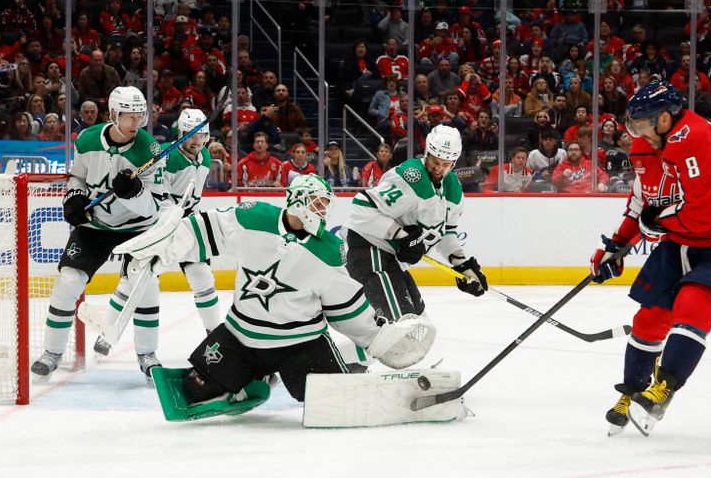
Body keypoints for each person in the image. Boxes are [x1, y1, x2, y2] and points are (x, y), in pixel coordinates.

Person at [114, 175, 441, 419]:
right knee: (190, 392)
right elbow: (200, 229)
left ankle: (331, 364)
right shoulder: (253, 218)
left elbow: (347, 308)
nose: (322, 211)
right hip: (240, 337)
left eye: (326, 205)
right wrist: (160, 250)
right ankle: (250, 380)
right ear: (297, 200)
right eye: (318, 202)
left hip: (301, 345)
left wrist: (378, 337)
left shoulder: (328, 250)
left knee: (334, 403)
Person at [591, 81, 711, 436]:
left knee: (693, 301)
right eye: (633, 126)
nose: (638, 133)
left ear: (666, 118)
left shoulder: (696, 140)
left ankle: (663, 390)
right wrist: (619, 244)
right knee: (649, 317)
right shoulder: (646, 147)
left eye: (643, 124)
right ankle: (633, 393)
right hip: (682, 240)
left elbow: (706, 213)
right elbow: (644, 200)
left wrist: (655, 222)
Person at [30, 86, 168, 382]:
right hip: (95, 225)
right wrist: (74, 197)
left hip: (137, 228)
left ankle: (147, 354)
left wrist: (134, 192)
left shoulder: (151, 150)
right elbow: (77, 176)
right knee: (68, 282)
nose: (135, 123)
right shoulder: (88, 139)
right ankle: (52, 353)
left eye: (139, 116)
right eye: (128, 116)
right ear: (114, 114)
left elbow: (154, 205)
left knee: (145, 286)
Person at [93, 109, 220, 356]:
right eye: (191, 136)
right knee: (136, 280)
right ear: (180, 133)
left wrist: (185, 220)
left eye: (202, 136)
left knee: (202, 276)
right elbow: (157, 198)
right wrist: (170, 220)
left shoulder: (204, 156)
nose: (197, 142)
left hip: (187, 225)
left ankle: (215, 333)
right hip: (158, 225)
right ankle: (107, 333)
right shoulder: (167, 158)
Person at [343, 125, 487, 331]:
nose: (439, 169)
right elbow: (361, 206)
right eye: (435, 161)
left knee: (421, 327)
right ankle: (341, 362)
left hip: (392, 260)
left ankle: (352, 362)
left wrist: (462, 265)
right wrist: (400, 235)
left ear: (454, 163)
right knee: (402, 327)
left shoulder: (454, 189)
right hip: (368, 250)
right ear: (427, 154)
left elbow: (445, 233)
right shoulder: (411, 177)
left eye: (446, 164)